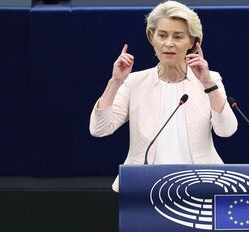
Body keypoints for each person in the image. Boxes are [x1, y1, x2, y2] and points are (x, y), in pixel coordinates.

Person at [89, 0, 238, 192]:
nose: (168, 43)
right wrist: (115, 82)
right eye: (162, 35)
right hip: (145, 189)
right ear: (151, 38)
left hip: (202, 187)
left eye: (178, 37)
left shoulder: (210, 80)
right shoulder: (135, 82)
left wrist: (208, 84)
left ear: (192, 42)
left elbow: (226, 130)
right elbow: (99, 129)